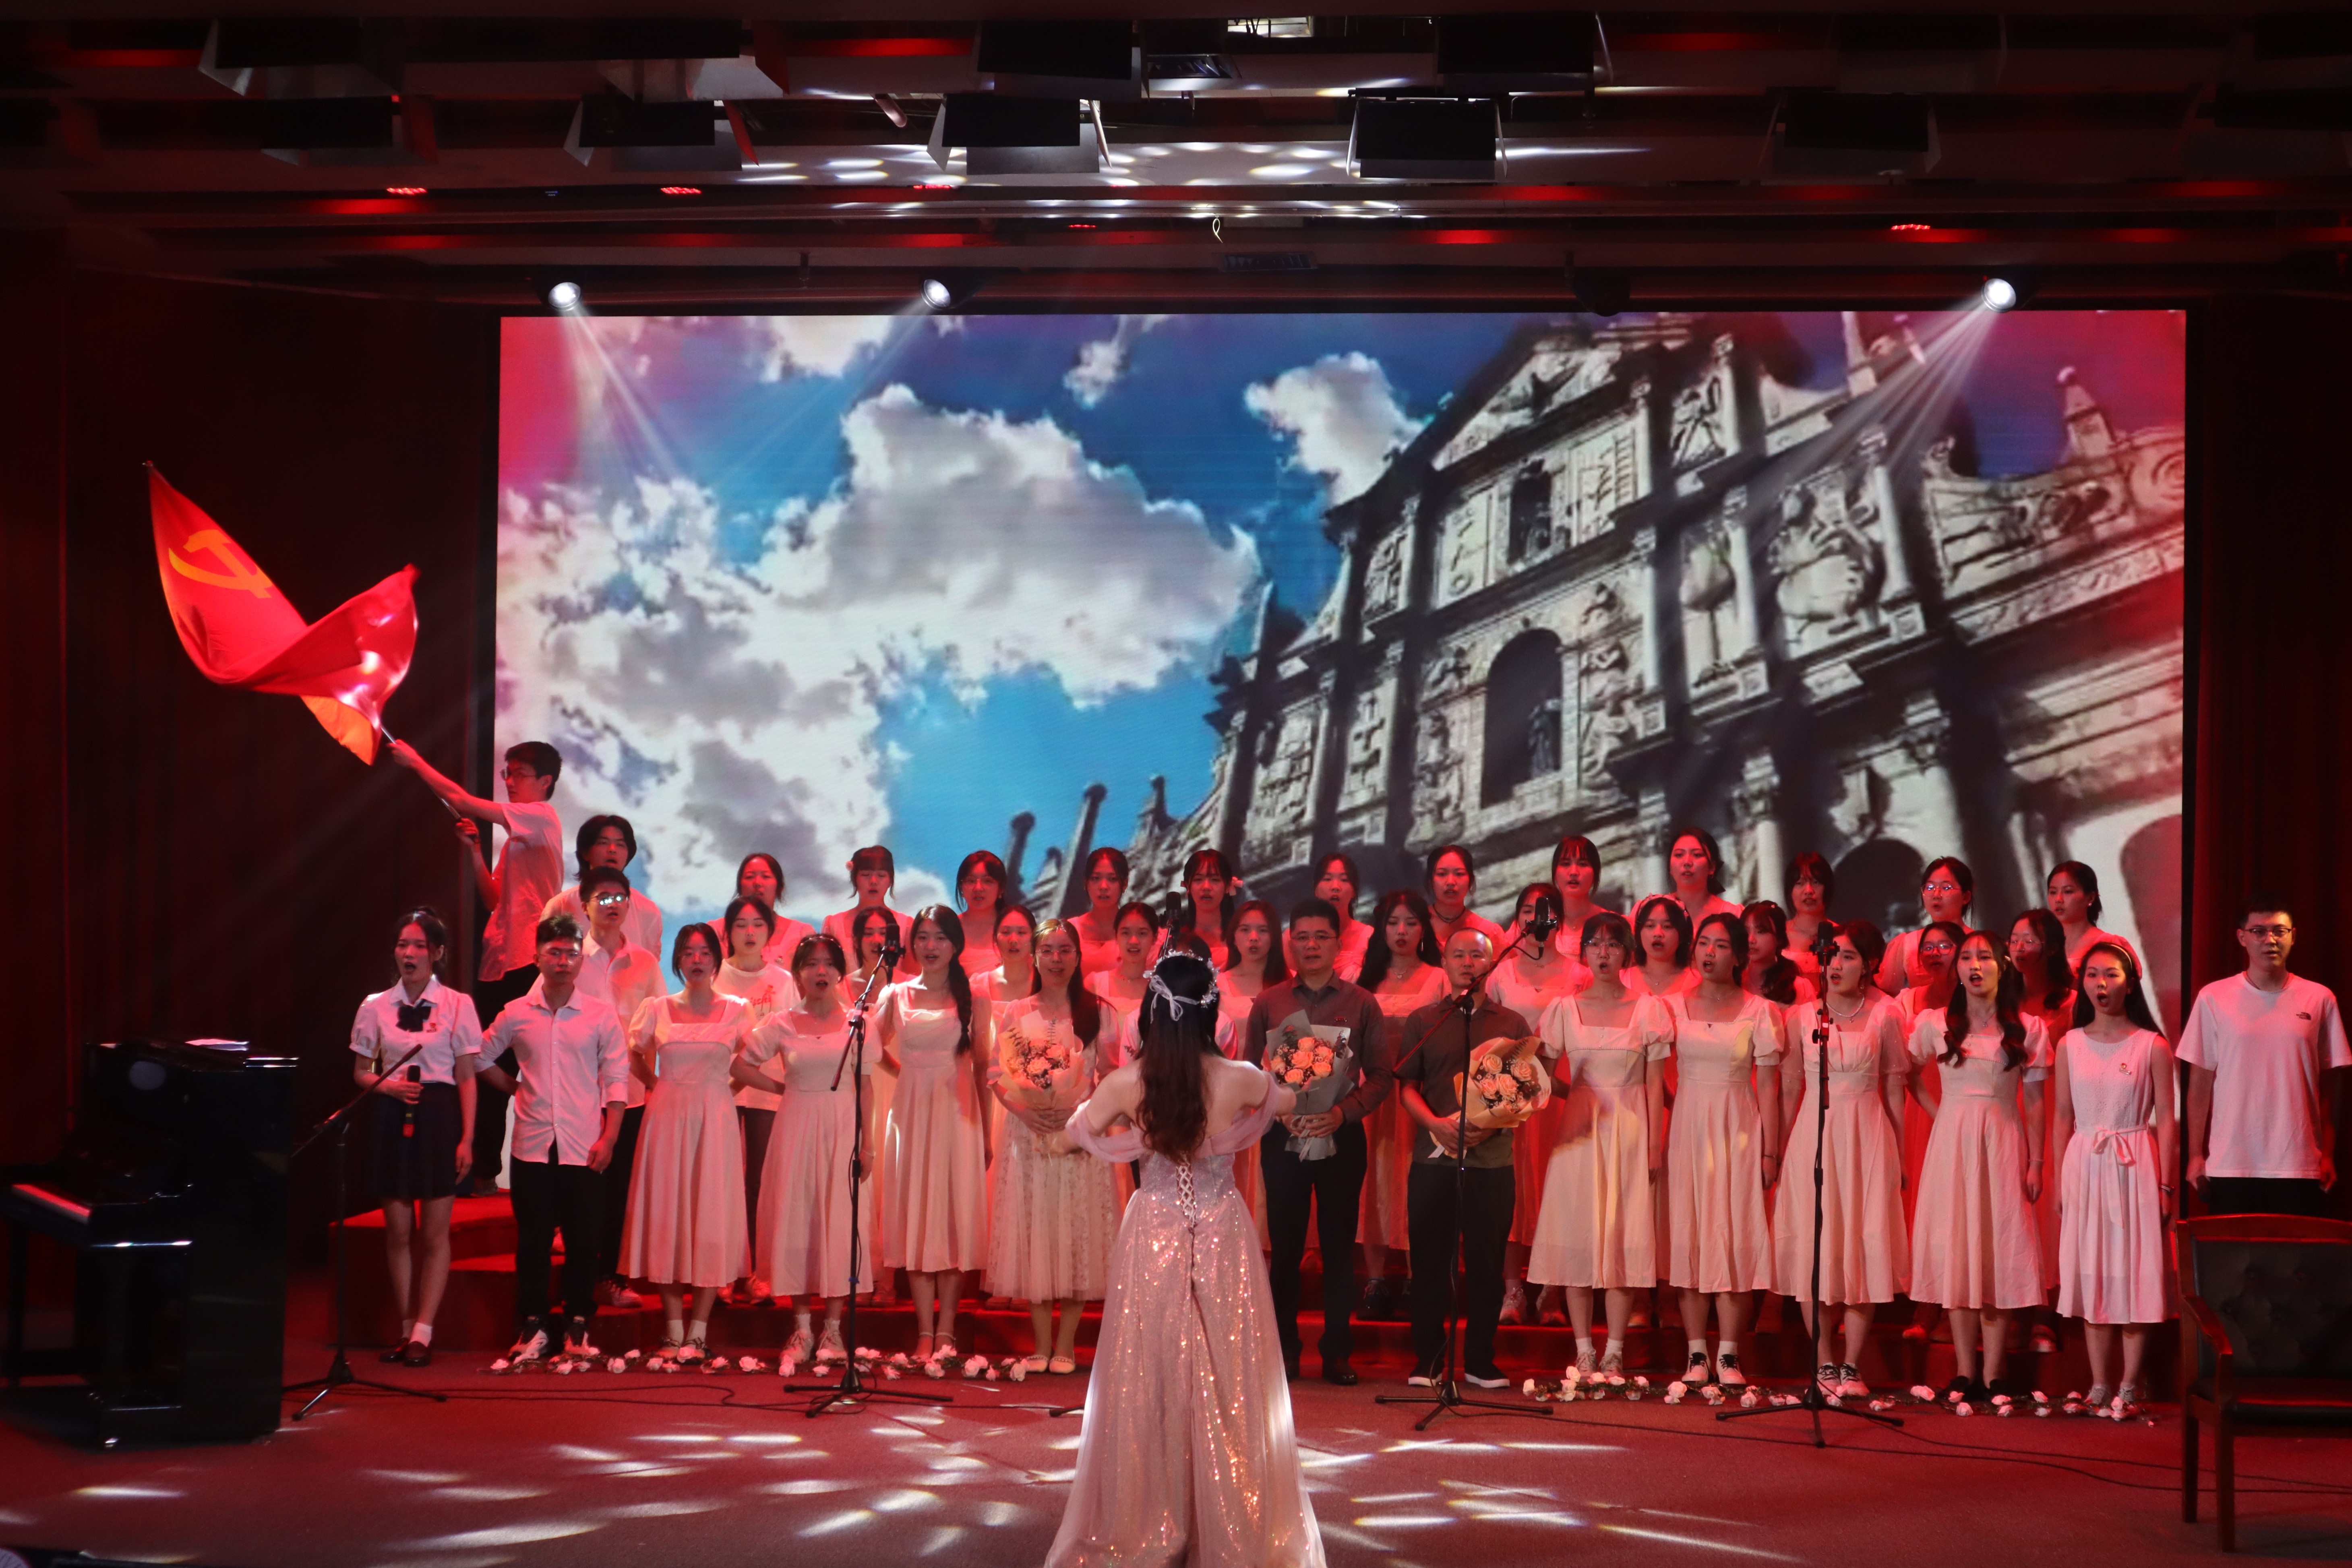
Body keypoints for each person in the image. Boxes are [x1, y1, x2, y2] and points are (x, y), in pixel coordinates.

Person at [1045, 953, 1320, 1568]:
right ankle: (1232, 1517)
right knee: (1230, 1371)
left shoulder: (1127, 1083)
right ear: (1212, 1012)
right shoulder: (1242, 1077)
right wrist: (1310, 1067)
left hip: (1155, 1229)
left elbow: (1073, 1136)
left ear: (1151, 1011)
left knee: (1149, 1370)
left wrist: (1068, 1130)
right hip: (1223, 1227)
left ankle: (1147, 1513)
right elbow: (1289, 1101)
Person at [389, 737, 564, 1190]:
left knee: (520, 1062)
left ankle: (523, 1169)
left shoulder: (541, 817)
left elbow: (462, 799)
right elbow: (493, 899)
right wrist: (473, 852)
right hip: (498, 961)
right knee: (485, 1062)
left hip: (528, 962)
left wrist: (416, 762)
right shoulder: (516, 842)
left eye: (519, 774)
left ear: (545, 782)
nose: (510, 782)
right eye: (508, 773)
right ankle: (485, 1171)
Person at [1243, 898, 1393, 1385]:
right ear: (1290, 944)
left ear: (1338, 943)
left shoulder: (1361, 1003)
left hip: (1341, 1138)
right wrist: (1278, 1108)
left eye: (1321, 937)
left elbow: (1382, 1076)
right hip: (1282, 1140)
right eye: (1302, 937)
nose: (1311, 945)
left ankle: (1337, 1352)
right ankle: (1284, 1351)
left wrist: (1341, 1113)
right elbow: (1247, 1073)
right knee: (1285, 1249)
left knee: (1337, 1248)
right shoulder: (1269, 1003)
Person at [1394, 927, 1541, 1390]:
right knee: (1430, 1263)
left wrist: (1488, 1124)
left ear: (1491, 964)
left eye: (1476, 955)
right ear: (1444, 962)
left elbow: (1524, 1092)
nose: (1467, 963)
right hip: (1433, 1160)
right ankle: (1430, 1360)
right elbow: (1408, 1087)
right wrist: (1435, 1124)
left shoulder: (1511, 1023)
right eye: (1458, 955)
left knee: (1486, 1265)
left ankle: (1479, 1359)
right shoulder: (1425, 1020)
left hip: (1491, 1163)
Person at [1906, 931, 2052, 1401]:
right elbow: (1906, 1071)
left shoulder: (2027, 1028)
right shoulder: (1935, 1024)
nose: (1974, 965)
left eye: (1984, 957)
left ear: (2002, 966)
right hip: (1953, 1145)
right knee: (1960, 1250)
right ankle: (1965, 1371)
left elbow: (2035, 1101)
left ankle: (1995, 1371)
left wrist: (2036, 1161)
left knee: (1998, 1248)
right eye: (1966, 957)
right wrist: (1940, 1114)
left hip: (2004, 1141)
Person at [476, 915, 627, 1364]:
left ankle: (578, 1321)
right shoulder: (516, 1012)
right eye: (554, 953)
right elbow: (480, 1055)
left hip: (585, 1142)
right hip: (533, 1143)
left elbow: (617, 1080)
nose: (563, 961)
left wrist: (610, 1138)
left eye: (571, 954)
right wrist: (515, 1088)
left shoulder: (600, 1014)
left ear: (581, 960)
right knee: (534, 1241)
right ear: (538, 957)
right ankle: (534, 1323)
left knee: (583, 1240)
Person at [1772, 921, 1908, 1400]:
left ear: (1869, 965)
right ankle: (1824, 1361)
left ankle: (1852, 1364)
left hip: (1867, 1135)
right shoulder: (1802, 1016)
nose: (1836, 965)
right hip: (1814, 1136)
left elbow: (1895, 1087)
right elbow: (1790, 1087)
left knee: (1864, 1242)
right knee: (1817, 1247)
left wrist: (1900, 1152)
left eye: (1848, 956)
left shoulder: (1887, 1015)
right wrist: (1780, 1149)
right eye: (1831, 955)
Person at [1530, 910, 1669, 1376]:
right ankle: (1584, 1348)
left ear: (1627, 953)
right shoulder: (1564, 1010)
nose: (1603, 953)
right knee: (1578, 1238)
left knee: (1622, 1237)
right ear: (1584, 952)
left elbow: (1655, 1084)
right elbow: (1543, 1076)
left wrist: (1654, 1145)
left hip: (1629, 1132)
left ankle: (1615, 1350)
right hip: (1579, 1137)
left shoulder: (1649, 1009)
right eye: (1595, 944)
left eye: (1612, 944)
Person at [989, 918, 1122, 1372]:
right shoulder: (1016, 1012)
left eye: (1065, 950)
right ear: (1035, 957)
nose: (1056, 959)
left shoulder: (1098, 1011)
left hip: (1077, 1136)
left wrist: (1081, 1115)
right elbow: (997, 1074)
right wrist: (1025, 1112)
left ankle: (1066, 1344)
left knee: (1074, 1233)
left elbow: (1111, 1076)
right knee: (1038, 1233)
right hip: (1029, 1136)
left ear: (1078, 957)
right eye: (1048, 950)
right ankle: (1040, 1345)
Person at [349, 908, 481, 1366]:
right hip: (392, 1113)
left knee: (434, 1233)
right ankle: (406, 1330)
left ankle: (425, 1329)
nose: (409, 953)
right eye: (403, 945)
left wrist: (467, 1138)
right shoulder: (374, 1006)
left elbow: (467, 1076)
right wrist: (388, 1087)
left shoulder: (459, 1004)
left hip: (440, 1115)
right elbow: (361, 1072)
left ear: (437, 953)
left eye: (420, 946)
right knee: (398, 1230)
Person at [734, 934, 873, 1367]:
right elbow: (740, 1063)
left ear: (840, 972)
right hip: (795, 1128)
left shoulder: (857, 1022)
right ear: (797, 973)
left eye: (829, 963)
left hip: (841, 1129)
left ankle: (833, 1328)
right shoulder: (781, 1022)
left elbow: (866, 1085)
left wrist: (867, 1143)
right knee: (797, 1222)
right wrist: (781, 1088)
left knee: (838, 1222)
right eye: (811, 964)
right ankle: (802, 1327)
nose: (820, 971)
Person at [2054, 940, 2177, 1411]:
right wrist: (2061, 1178)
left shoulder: (2152, 1045)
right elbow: (2062, 1116)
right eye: (2092, 975)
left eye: (2110, 974)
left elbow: (2167, 1120)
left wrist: (2165, 1184)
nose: (2100, 984)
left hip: (2135, 1162)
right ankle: (2099, 1384)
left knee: (2135, 1270)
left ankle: (2129, 1384)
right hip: (2086, 1162)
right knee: (2093, 1269)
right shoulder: (2070, 1044)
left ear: (2130, 984)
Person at [1661, 912, 1782, 1387]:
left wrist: (1770, 1152)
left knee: (1734, 1234)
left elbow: (1768, 1087)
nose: (1709, 953)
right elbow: (1650, 1075)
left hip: (1739, 1129)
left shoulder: (1760, 1011)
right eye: (1703, 944)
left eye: (1721, 945)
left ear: (1739, 956)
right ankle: (1696, 1354)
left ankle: (1729, 1355)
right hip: (1690, 1129)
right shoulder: (1671, 1007)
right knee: (1691, 1234)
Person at [619, 924, 750, 1360]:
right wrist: (656, 1084)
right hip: (666, 1118)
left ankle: (699, 1331)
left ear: (717, 960)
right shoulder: (656, 1008)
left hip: (715, 1119)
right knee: (668, 1217)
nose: (697, 960)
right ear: (677, 960)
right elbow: (634, 1053)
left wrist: (725, 1090)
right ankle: (673, 1329)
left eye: (705, 953)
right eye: (689, 953)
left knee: (710, 1215)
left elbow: (751, 1061)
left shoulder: (737, 1010)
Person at [2180, 896, 2351, 1217]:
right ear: (2241, 937)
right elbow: (2200, 1083)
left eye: (2278, 931)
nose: (2269, 940)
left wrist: (2327, 1153)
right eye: (2258, 931)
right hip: (2231, 1164)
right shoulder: (2213, 997)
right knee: (2230, 1251)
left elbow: (2330, 1084)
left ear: (2293, 936)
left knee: (2296, 1251)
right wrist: (2194, 1156)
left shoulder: (2319, 998)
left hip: (2298, 1164)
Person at [877, 906, 994, 1359]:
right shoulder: (895, 994)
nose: (930, 946)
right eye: (923, 937)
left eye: (940, 938)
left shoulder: (974, 997)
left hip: (958, 1117)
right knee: (917, 1218)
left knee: (951, 1219)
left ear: (956, 945)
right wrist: (905, 1073)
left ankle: (947, 1330)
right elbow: (871, 1048)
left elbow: (982, 1067)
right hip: (910, 1116)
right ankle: (924, 1330)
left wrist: (985, 1133)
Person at [1485, 883, 1582, 1328]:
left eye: (1543, 911)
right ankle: (1512, 1289)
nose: (1535, 918)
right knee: (1513, 1191)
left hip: (1559, 1098)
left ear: (1558, 918)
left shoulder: (1578, 973)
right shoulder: (1501, 972)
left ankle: (1552, 1289)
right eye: (1527, 910)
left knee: (1557, 1191)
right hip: (1512, 1098)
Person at [571, 865, 663, 1310]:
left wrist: (657, 1082)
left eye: (619, 897)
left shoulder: (644, 962)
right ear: (584, 906)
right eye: (603, 898)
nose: (613, 905)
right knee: (581, 1189)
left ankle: (611, 1276)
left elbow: (659, 1028)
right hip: (578, 1093)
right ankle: (579, 1281)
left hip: (629, 1094)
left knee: (619, 1188)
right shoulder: (570, 958)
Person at [1355, 890, 1445, 1322]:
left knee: (1415, 1181)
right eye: (1393, 923)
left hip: (1418, 1096)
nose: (1402, 931)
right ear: (1381, 928)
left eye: (1411, 922)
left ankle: (1415, 1277)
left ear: (1423, 929)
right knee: (1373, 1181)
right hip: (1372, 1096)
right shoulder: (1365, 979)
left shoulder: (1439, 979)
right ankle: (1374, 1279)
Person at [714, 895, 798, 1305]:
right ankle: (723, 1270)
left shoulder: (782, 981)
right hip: (721, 1092)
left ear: (769, 932)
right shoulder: (716, 976)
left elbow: (795, 1034)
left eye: (758, 925)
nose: (749, 933)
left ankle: (758, 1272)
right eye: (741, 925)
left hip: (769, 1090)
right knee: (723, 1181)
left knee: (760, 1185)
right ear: (727, 932)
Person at [2009, 906, 2077, 1350]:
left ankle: (2044, 1311)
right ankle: (2007, 1306)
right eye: (2014, 939)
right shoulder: (2003, 999)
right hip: (2007, 1105)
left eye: (2029, 940)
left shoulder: (2069, 1002)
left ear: (2051, 947)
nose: (2019, 948)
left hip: (2053, 1106)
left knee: (2045, 1208)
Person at [843, 904, 905, 1303]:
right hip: (859, 1087)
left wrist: (902, 1073)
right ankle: (862, 1274)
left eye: (884, 933)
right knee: (862, 1181)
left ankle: (888, 1276)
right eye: (869, 933)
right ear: (857, 940)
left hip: (897, 1089)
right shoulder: (843, 986)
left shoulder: (908, 987)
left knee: (890, 1181)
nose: (877, 940)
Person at [542, 814, 664, 958]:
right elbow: (546, 959)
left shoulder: (648, 910)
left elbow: (650, 964)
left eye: (620, 845)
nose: (612, 850)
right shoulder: (561, 906)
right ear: (585, 852)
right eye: (603, 843)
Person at [1878, 856, 1976, 993]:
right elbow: (1886, 994)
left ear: (1966, 897)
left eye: (1946, 888)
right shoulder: (1908, 944)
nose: (1936, 895)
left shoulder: (1981, 944)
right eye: (1930, 887)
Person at [823, 845, 916, 978]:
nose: (873, 882)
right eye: (866, 875)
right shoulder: (833, 924)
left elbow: (912, 977)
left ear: (891, 880)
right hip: (844, 992)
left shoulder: (906, 924)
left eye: (881, 875)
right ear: (854, 879)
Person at [1283, 854, 1372, 980]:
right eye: (1327, 879)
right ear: (1316, 889)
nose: (1335, 887)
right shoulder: (1292, 938)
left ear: (1354, 890)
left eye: (1344, 880)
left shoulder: (1369, 937)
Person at [2046, 860, 2139, 973]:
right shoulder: (2044, 947)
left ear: (2090, 898)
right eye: (2053, 892)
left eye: (2068, 892)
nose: (2058, 899)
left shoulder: (2109, 945)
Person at [1086, 899, 1161, 1038]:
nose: (1134, 941)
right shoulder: (1095, 985)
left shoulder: (1161, 989)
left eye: (1142, 934)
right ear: (1116, 935)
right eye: (1126, 933)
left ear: (1155, 937)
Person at [735, 852, 817, 964]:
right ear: (740, 887)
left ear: (780, 888)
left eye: (766, 876)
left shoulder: (801, 934)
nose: (757, 883)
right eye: (750, 877)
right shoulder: (719, 932)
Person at [1426, 844, 1507, 954]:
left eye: (1459, 874)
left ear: (1471, 881)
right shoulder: (1415, 925)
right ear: (1431, 882)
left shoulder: (1490, 933)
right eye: (1442, 874)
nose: (1451, 882)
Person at [1662, 827, 1744, 932]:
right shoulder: (1650, 911)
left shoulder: (1734, 915)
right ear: (1670, 867)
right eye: (1679, 855)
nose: (1687, 862)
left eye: (1697, 855)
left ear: (1712, 867)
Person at [1069, 847, 1132, 977]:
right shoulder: (1068, 931)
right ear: (1086, 883)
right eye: (1096, 878)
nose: (1103, 887)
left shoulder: (1138, 932)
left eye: (1112, 879)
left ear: (1125, 884)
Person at [1741, 901, 1815, 1009]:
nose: (1751, 939)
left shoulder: (1800, 988)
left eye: (1761, 931)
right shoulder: (1732, 983)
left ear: (1779, 938)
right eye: (1746, 931)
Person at [1175, 848, 1238, 970]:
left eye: (1215, 880)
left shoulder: (1240, 935)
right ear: (1188, 886)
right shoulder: (1175, 937)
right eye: (1198, 880)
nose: (1206, 887)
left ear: (1227, 886)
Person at [1628, 894, 1698, 999]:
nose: (1658, 934)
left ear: (1682, 934)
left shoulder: (1697, 981)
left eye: (1667, 927)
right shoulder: (1621, 979)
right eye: (1650, 926)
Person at [954, 850, 1010, 977]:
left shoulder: (1014, 929)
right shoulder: (948, 929)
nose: (978, 888)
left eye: (988, 881)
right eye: (971, 881)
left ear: (1001, 889)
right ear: (961, 888)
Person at [1785, 852, 1837, 988]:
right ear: (1790, 890)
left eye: (1816, 882)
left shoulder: (1842, 935)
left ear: (1828, 888)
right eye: (1800, 883)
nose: (1809, 891)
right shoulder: (1778, 936)